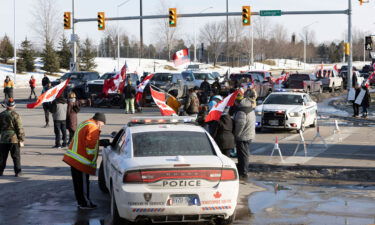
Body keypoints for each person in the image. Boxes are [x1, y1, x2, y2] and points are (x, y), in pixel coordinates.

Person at [62, 113, 106, 209]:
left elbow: (84, 139)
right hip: (81, 161)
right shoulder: (93, 127)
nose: (102, 126)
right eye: (102, 123)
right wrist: (91, 160)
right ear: (99, 121)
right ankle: (85, 203)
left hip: (74, 158)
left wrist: (99, 142)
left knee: (78, 184)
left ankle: (81, 202)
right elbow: (90, 145)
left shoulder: (85, 123)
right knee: (83, 184)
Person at [233, 90, 256, 179]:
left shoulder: (241, 111)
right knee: (244, 154)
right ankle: (243, 170)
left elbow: (240, 124)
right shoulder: (249, 107)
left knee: (243, 155)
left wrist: (236, 135)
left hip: (243, 136)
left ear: (237, 102)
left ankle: (243, 172)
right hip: (249, 134)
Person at [0, 98, 25, 177]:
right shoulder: (15, 115)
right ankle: (18, 172)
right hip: (14, 139)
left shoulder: (1, 114)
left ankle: (0, 171)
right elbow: (19, 128)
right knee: (16, 156)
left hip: (3, 139)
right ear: (14, 105)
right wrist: (21, 139)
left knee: (2, 157)